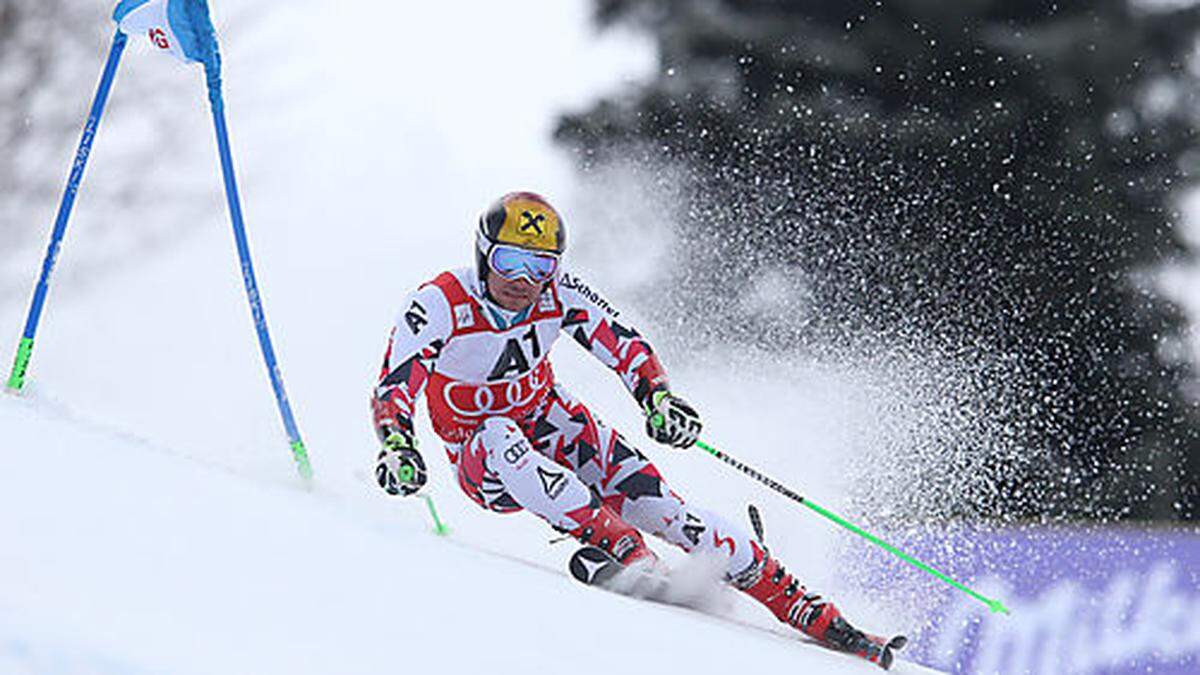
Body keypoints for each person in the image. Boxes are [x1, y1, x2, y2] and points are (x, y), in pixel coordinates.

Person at [370, 192, 903, 668]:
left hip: (552, 419)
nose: (523, 281)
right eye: (510, 261)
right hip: (481, 459)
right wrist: (398, 446)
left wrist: (659, 398)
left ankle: (814, 613)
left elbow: (623, 342)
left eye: (541, 265)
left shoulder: (559, 292)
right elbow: (394, 387)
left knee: (668, 510)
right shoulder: (440, 302)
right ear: (485, 254)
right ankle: (628, 551)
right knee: (497, 434)